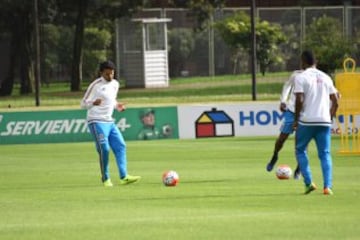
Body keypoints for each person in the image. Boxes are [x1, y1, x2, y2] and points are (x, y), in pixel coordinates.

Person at [81, 60, 141, 187]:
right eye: (107, 74)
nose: (110, 76)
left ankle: (124, 177)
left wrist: (117, 106)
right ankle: (106, 178)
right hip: (96, 121)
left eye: (112, 74)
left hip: (109, 121)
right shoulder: (95, 85)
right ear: (101, 72)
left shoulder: (115, 84)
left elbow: (112, 100)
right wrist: (93, 103)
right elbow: (83, 104)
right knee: (105, 149)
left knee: (121, 146)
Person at [293, 50, 338, 195]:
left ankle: (308, 183)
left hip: (307, 121)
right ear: (316, 62)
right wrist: (330, 116)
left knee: (300, 150)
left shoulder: (300, 77)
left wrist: (296, 119)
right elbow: (336, 100)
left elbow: (299, 99)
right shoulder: (326, 77)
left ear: (303, 62)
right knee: (325, 154)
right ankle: (328, 187)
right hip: (324, 121)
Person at [266, 70, 302, 179]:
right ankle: (275, 155)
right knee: (281, 139)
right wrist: (283, 101)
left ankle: (299, 168)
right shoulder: (297, 75)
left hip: (305, 114)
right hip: (291, 111)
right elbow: (287, 85)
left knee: (299, 144)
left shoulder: (317, 77)